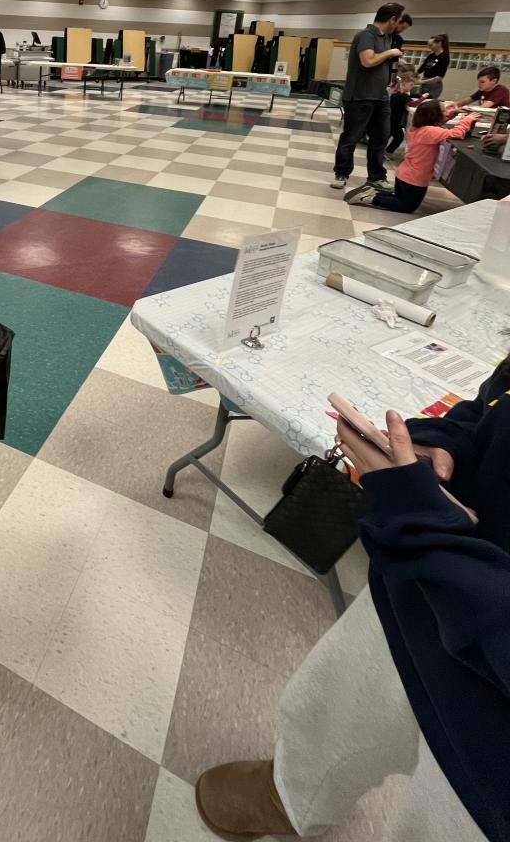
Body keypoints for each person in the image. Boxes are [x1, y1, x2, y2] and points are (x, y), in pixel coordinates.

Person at [194, 351, 510, 842]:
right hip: (430, 574)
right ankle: (289, 794)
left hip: (493, 728)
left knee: (434, 819)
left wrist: (422, 530)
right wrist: (444, 441)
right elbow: (496, 401)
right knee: (329, 700)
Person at [346, 99, 477, 210]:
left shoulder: (418, 127)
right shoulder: (431, 132)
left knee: (399, 198)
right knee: (407, 206)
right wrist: (467, 120)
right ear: (435, 116)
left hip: (404, 175)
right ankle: (370, 199)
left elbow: (437, 125)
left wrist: (452, 114)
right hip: (415, 179)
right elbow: (456, 133)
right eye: (444, 111)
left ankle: (372, 193)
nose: (447, 113)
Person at [331, 3, 406, 192]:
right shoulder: (366, 35)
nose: (398, 25)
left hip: (380, 97)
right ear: (392, 19)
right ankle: (341, 173)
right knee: (351, 137)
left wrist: (393, 78)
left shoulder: (387, 38)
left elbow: (381, 64)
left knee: (380, 137)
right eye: (398, 21)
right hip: (360, 97)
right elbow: (368, 61)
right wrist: (390, 52)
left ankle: (376, 177)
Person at [386, 64, 417, 157]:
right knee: (399, 137)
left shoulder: (395, 94)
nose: (412, 87)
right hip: (394, 121)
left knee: (388, 135)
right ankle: (387, 152)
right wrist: (424, 97)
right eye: (411, 85)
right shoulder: (403, 96)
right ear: (403, 84)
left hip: (390, 119)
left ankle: (382, 150)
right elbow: (413, 104)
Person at [417, 34, 449, 100]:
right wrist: (412, 76)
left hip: (434, 84)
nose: (429, 47)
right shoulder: (431, 55)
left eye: (431, 45)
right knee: (420, 101)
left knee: (428, 102)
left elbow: (439, 77)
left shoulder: (444, 57)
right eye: (428, 45)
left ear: (439, 44)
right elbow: (422, 68)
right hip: (425, 82)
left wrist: (422, 82)